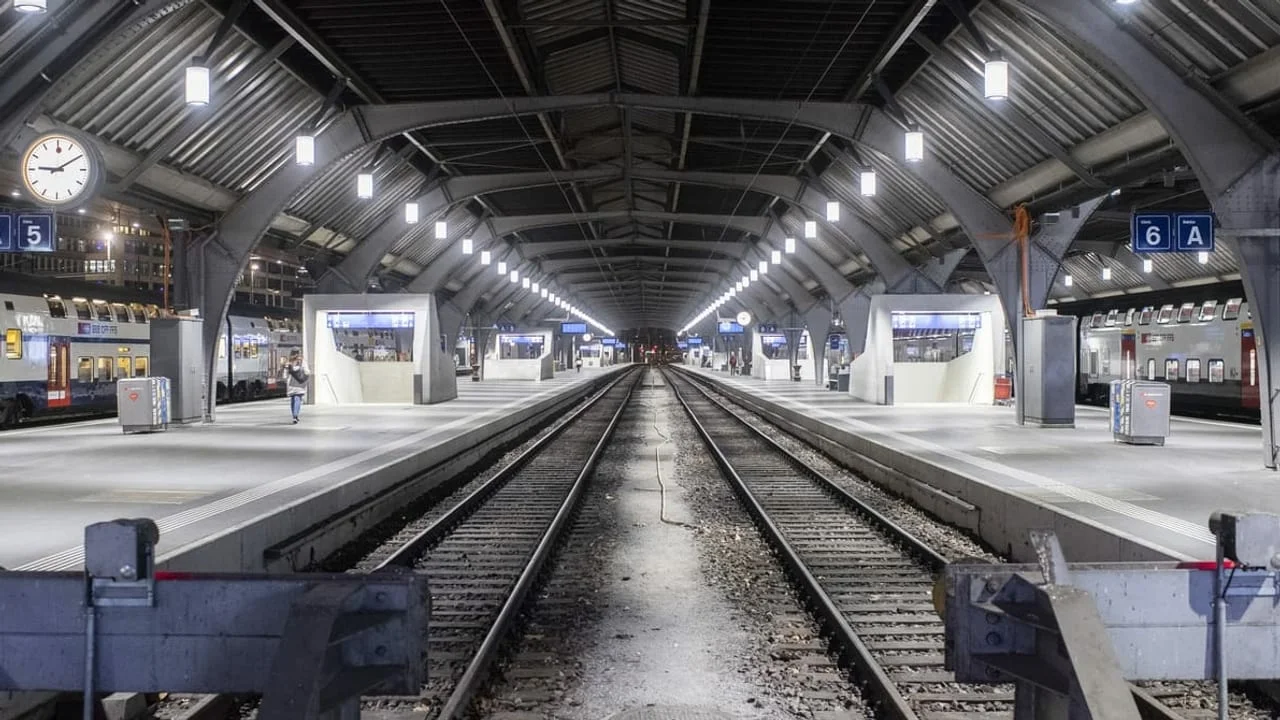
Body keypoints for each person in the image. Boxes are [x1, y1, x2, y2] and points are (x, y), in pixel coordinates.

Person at [282, 351, 310, 424]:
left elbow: (285, 375)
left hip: (291, 383)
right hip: (299, 383)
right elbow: (307, 372)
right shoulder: (302, 362)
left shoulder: (288, 363)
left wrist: (285, 379)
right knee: (297, 399)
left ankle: (294, 416)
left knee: (293, 399)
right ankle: (295, 415)